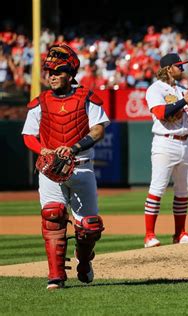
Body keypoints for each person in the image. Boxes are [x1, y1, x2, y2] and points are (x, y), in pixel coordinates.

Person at [22, 43, 109, 290]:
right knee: (52, 216)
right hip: (51, 170)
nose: (52, 76)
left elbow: (98, 129)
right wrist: (43, 150)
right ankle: (55, 276)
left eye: (58, 71)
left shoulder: (87, 98)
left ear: (70, 74)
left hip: (81, 166)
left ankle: (84, 260)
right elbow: (28, 135)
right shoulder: (40, 101)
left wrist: (73, 148)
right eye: (49, 71)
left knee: (89, 227)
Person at [143, 53, 188, 248]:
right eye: (179, 66)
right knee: (157, 188)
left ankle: (180, 234)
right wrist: (185, 101)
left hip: (184, 142)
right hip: (164, 142)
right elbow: (161, 113)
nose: (182, 69)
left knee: (183, 190)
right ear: (169, 69)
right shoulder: (155, 89)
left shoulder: (183, 89)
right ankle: (149, 236)